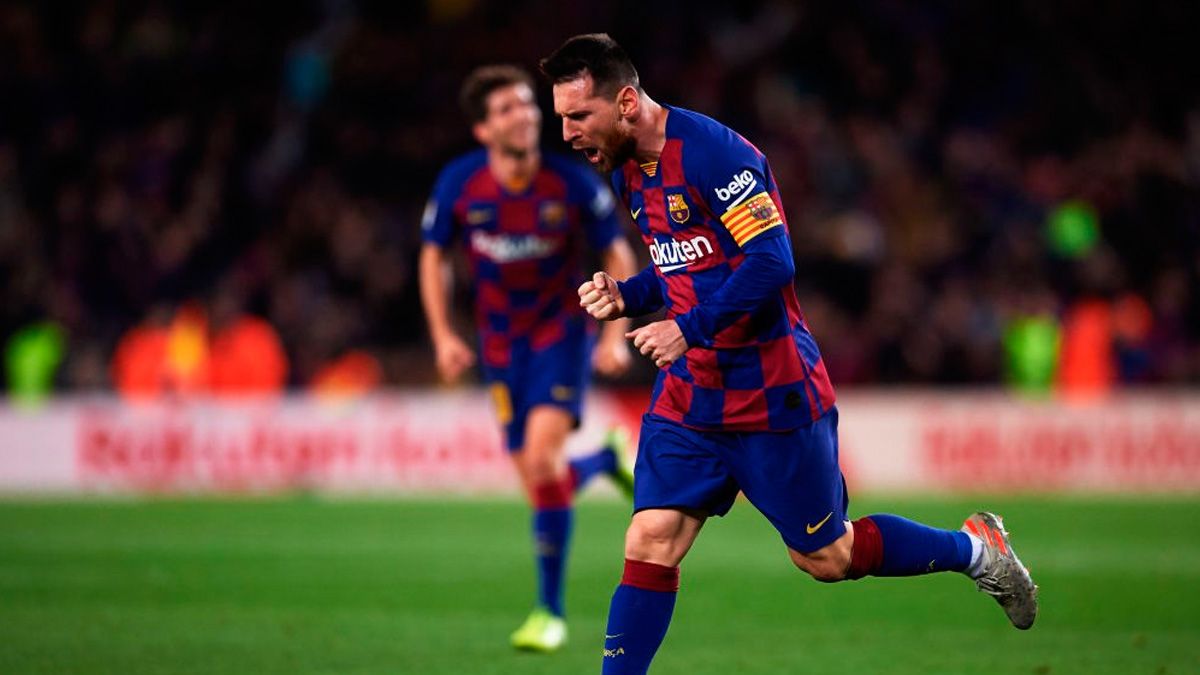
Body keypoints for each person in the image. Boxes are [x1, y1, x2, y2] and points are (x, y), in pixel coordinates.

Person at [542, 34, 1039, 674]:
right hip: (693, 396)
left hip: (770, 390)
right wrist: (629, 293)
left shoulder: (716, 155)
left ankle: (977, 551)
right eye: (561, 118)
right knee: (650, 539)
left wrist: (687, 330)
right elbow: (684, 267)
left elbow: (772, 261)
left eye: (578, 116)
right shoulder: (632, 169)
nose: (568, 133)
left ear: (628, 102)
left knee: (827, 558)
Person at [418, 64, 639, 653]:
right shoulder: (460, 184)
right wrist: (443, 334)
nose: (527, 115)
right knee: (541, 481)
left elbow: (618, 250)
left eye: (528, 104)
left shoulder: (572, 183)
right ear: (483, 130)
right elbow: (433, 256)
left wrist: (615, 334)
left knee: (540, 459)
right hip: (499, 348)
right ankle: (601, 461)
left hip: (560, 337)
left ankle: (550, 612)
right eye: (509, 109)